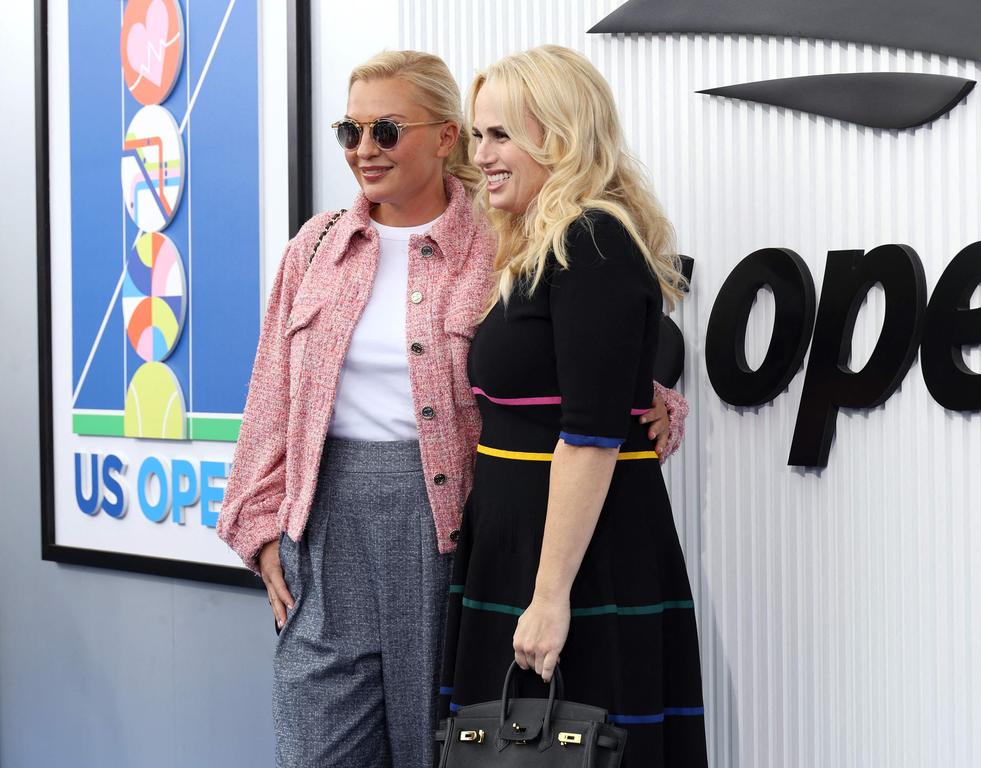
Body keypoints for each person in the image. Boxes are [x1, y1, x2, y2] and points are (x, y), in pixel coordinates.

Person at [216, 50, 686, 768]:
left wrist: (654, 403)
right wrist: (259, 519)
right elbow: (272, 390)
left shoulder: (503, 236)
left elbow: (581, 353)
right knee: (316, 746)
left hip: (445, 519)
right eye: (350, 132)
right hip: (325, 523)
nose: (364, 150)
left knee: (440, 747)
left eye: (386, 130)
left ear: (444, 138)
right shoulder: (315, 247)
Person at [439, 45, 708, 767]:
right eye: (477, 135)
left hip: (575, 563)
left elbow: (590, 437)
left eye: (500, 135)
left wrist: (550, 595)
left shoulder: (592, 242)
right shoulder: (539, 243)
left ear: (558, 138)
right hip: (522, 545)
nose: (482, 155)